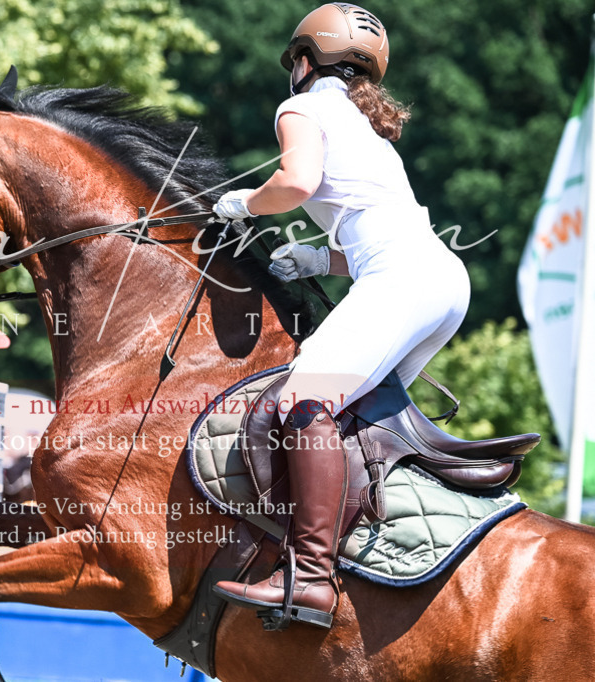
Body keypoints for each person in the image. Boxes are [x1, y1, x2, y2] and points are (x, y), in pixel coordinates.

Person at [211, 3, 470, 630]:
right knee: (357, 413)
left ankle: (310, 576)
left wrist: (245, 202)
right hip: (442, 283)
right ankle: (374, 550)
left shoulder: (302, 106)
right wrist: (317, 258)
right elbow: (377, 237)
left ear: (304, 61)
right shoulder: (364, 128)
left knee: (305, 400)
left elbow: (296, 184)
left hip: (402, 281)